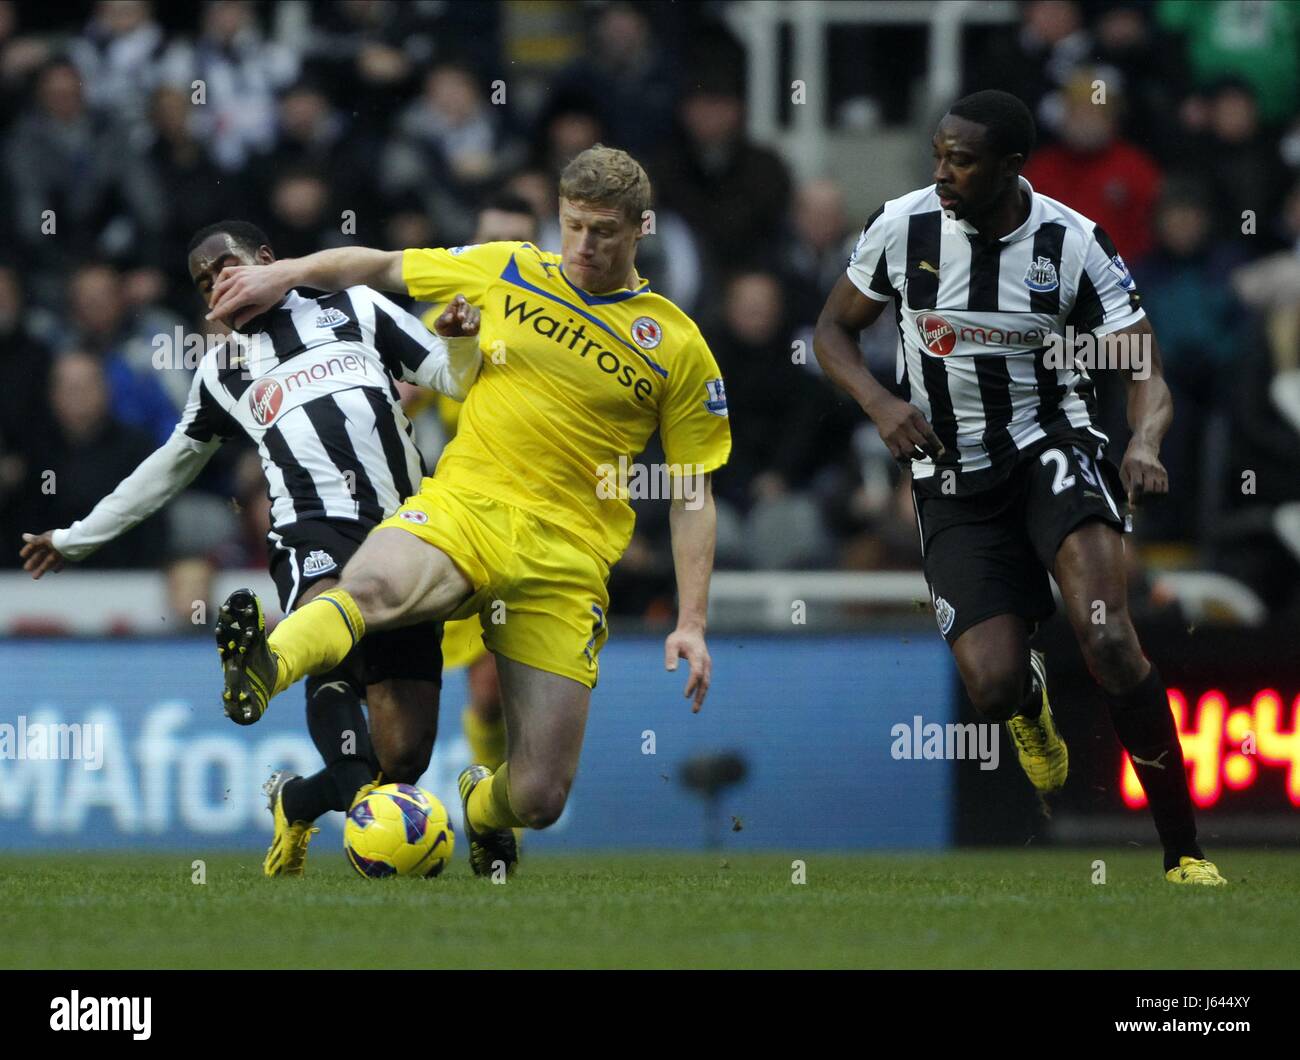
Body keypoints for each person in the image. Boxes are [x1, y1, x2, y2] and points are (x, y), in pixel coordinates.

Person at [204, 144, 731, 877]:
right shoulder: (507, 266)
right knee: (372, 587)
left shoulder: (676, 344)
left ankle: (480, 808)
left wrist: (693, 620)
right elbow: (382, 265)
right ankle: (265, 666)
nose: (582, 244)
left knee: (541, 794)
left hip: (567, 559)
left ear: (642, 228)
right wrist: (286, 273)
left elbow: (692, 491)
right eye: (573, 224)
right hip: (468, 508)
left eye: (603, 231)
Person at [813, 90, 1224, 886]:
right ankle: (1029, 707)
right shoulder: (902, 227)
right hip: (951, 475)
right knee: (994, 685)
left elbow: (1141, 366)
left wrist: (1143, 438)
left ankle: (1185, 854)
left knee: (1107, 636)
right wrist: (881, 402)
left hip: (1051, 448)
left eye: (960, 160)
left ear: (1010, 167)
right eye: (937, 153)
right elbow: (833, 330)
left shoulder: (1072, 242)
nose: (941, 172)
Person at [20, 220, 483, 878]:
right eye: (204, 282)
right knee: (331, 620)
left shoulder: (356, 306)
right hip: (314, 530)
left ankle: (296, 800)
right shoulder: (222, 372)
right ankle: (266, 663)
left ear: (267, 259)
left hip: (410, 533)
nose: (217, 285)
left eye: (226, 267)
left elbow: (451, 376)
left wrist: (461, 345)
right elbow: (169, 467)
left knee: (398, 763)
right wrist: (74, 538)